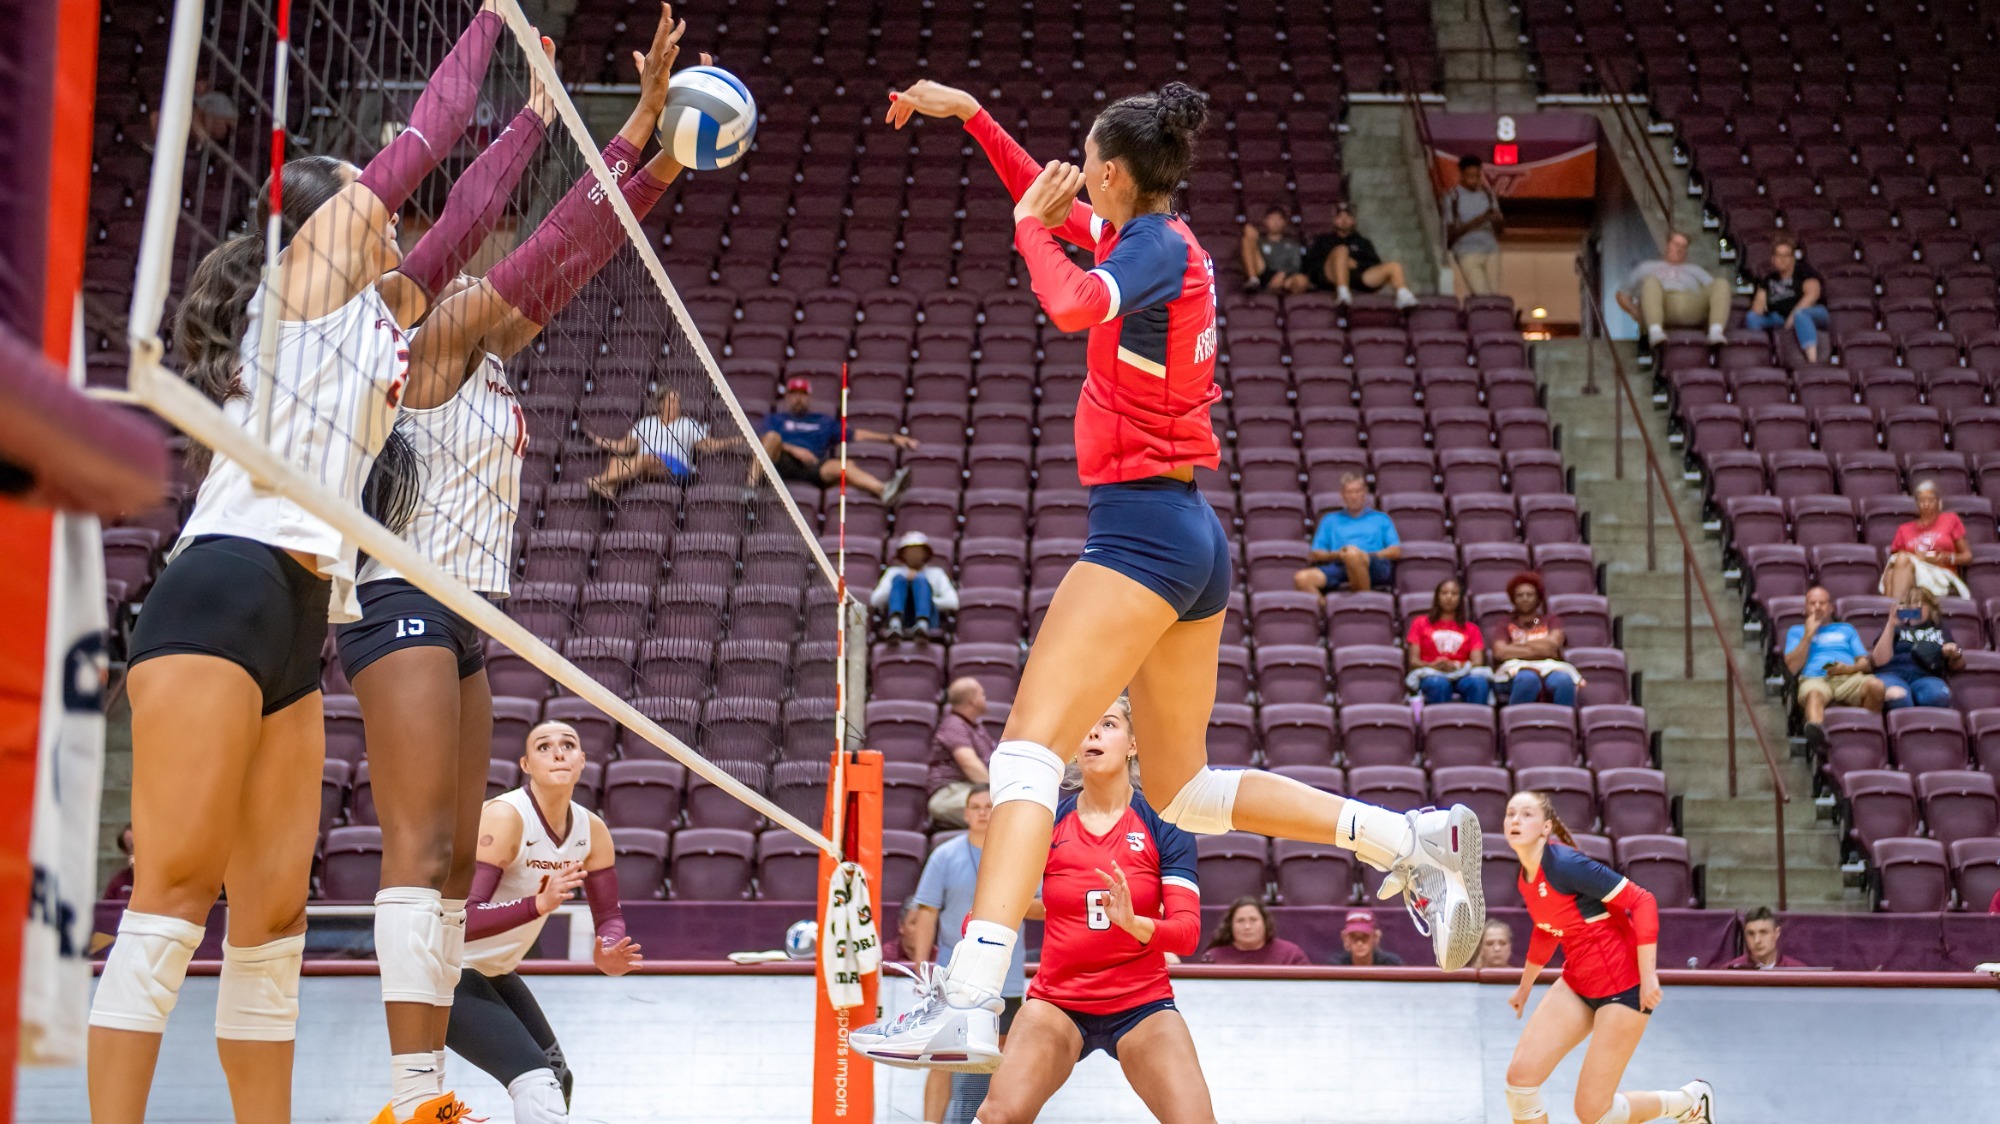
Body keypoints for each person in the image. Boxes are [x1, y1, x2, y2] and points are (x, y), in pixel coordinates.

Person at [861, 77, 1484, 1073]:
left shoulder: (1146, 251)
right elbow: (1049, 195)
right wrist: (975, 116)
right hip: (1186, 529)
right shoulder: (1154, 238)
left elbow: (1064, 299)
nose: (1073, 177)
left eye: (1085, 162)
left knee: (1022, 760)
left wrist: (1027, 231)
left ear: (1114, 172)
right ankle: (1406, 838)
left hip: (1141, 527)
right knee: (1186, 789)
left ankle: (969, 1000)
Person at [88, 7, 508, 1121]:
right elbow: (428, 135)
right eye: (362, 196)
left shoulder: (373, 319)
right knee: (175, 893)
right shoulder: (304, 287)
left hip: (299, 612)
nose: (389, 213)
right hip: (223, 584)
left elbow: (464, 212)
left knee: (269, 916)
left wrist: (570, 130)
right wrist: (487, 21)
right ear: (319, 224)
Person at [335, 17, 694, 1122]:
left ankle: (430, 1089)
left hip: (462, 609)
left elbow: (571, 261)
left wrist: (653, 148)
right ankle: (410, 1089)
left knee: (448, 873)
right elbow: (541, 249)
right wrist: (630, 139)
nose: (497, 281)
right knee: (428, 846)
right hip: (395, 596)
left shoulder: (486, 358)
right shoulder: (435, 340)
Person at [969, 699, 1216, 1123]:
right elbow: (990, 915)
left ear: (1133, 743)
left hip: (1143, 1004)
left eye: (1108, 724)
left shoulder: (1164, 822)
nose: (1093, 733)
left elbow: (1187, 933)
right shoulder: (1046, 821)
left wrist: (1135, 923)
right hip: (1057, 1003)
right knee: (997, 1116)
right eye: (1085, 726)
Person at [446, 720, 639, 1124]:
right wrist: (537, 904)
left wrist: (608, 948)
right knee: (538, 1084)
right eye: (544, 746)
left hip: (493, 971)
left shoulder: (592, 830)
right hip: (444, 970)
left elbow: (609, 916)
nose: (557, 752)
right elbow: (461, 919)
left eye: (568, 745)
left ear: (582, 761)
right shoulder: (505, 817)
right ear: (526, 764)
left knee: (558, 1078)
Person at [1501, 791, 1717, 1124]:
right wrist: (1524, 988)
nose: (1515, 820)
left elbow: (1642, 901)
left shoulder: (1567, 866)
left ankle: (1688, 1101)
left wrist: (1649, 976)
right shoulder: (1527, 876)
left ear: (1545, 828)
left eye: (1526, 814)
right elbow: (1547, 929)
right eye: (1510, 813)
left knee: (1594, 1113)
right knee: (1520, 1083)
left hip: (1624, 987)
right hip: (1578, 983)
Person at [902, 785, 1034, 1124]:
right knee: (943, 1059)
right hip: (953, 978)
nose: (982, 812)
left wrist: (1008, 902)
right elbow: (927, 912)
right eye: (975, 806)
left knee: (997, 1061)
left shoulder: (1021, 856)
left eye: (989, 806)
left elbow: (1047, 907)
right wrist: (922, 965)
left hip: (1006, 979)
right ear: (965, 814)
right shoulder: (944, 855)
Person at [755, 376, 915, 506]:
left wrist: (891, 438)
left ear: (809, 397)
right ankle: (750, 489)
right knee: (771, 438)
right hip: (780, 462)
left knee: (844, 465)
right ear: (787, 397)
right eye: (794, 394)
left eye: (802, 394)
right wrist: (793, 449)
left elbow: (856, 435)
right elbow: (763, 439)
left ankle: (884, 490)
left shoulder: (822, 421)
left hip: (812, 465)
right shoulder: (776, 419)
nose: (798, 398)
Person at [1784, 585, 1885, 753]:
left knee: (1877, 686)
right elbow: (1793, 667)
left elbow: (1865, 663)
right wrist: (1808, 636)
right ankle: (1819, 743)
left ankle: (1866, 736)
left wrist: (1848, 668)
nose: (1817, 607)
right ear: (1805, 609)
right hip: (1815, 679)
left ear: (1830, 608)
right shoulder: (1796, 632)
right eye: (1812, 603)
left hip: (1848, 677)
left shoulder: (1846, 630)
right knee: (1814, 694)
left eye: (1822, 603)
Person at [588, 388, 727, 498]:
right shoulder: (646, 423)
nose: (676, 405)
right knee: (615, 461)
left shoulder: (688, 424)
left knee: (645, 459)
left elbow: (710, 446)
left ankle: (599, 480)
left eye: (678, 402)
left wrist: (734, 440)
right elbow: (624, 446)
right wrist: (597, 440)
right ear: (661, 403)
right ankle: (608, 487)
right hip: (647, 466)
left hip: (676, 470)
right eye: (672, 401)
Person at [1615, 231, 1730, 347]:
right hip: (1662, 305)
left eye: (1683, 247)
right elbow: (1622, 294)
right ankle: (1655, 332)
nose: (1679, 249)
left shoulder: (1695, 269)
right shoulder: (1646, 267)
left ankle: (1716, 332)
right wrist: (1634, 311)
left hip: (1692, 306)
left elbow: (1717, 292)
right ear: (1667, 246)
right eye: (1676, 244)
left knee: (1721, 283)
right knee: (1651, 282)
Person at [1293, 473, 1402, 594]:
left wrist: (1366, 556)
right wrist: (1339, 555)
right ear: (1342, 495)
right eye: (1349, 492)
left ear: (1365, 493)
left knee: (1353, 555)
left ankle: (1363, 602)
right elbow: (1316, 554)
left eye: (1357, 491)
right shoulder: (1329, 520)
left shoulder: (1381, 518)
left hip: (1374, 565)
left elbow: (1395, 551)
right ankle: (1330, 611)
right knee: (1302, 579)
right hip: (1340, 565)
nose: (1353, 496)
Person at [1302, 203, 1419, 309]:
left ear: (1353, 220)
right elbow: (1313, 265)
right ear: (1334, 220)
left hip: (1359, 277)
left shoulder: (1363, 242)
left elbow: (1374, 263)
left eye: (1348, 217)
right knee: (1341, 250)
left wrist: (1357, 263)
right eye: (1340, 217)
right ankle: (1343, 293)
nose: (1344, 220)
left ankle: (1403, 295)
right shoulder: (1323, 240)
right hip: (1330, 278)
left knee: (1394, 266)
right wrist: (1341, 262)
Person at [1492, 571, 1581, 707]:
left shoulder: (1551, 621)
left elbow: (1552, 646)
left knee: (1563, 680)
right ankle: (1516, 725)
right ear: (1513, 599)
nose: (1525, 598)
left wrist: (1518, 645)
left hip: (1550, 668)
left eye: (1529, 595)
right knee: (1528, 678)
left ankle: (1563, 726)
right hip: (1516, 672)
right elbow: (1500, 652)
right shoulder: (1505, 623)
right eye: (1520, 595)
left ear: (1538, 598)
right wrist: (1540, 648)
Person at [1869, 585, 1963, 710]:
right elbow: (1878, 661)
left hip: (1926, 676)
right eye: (1909, 604)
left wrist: (1953, 654)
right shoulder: (1894, 628)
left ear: (1931, 609)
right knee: (1899, 697)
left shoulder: (1938, 629)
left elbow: (1958, 665)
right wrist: (1891, 625)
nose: (1914, 608)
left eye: (1919, 605)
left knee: (1938, 695)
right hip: (1892, 674)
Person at [1880, 480, 1972, 601]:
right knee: (1894, 569)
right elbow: (1896, 563)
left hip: (1941, 573)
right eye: (1922, 500)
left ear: (1939, 502)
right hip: (1913, 572)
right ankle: (1901, 613)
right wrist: (1919, 558)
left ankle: (1896, 615)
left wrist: (1946, 557)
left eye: (1930, 500)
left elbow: (1968, 557)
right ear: (1917, 504)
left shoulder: (1950, 520)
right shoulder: (1904, 529)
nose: (1926, 504)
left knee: (1901, 562)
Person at [1406, 577, 1492, 705]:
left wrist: (1456, 665)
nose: (1449, 597)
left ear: (1460, 598)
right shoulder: (1420, 623)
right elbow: (1413, 661)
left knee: (1478, 683)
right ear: (1437, 596)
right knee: (1439, 684)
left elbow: (1477, 661)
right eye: (1444, 593)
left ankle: (1476, 723)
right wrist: (1433, 665)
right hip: (1432, 672)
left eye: (1454, 593)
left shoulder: (1471, 628)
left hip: (1462, 673)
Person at [1745, 233, 1826, 363]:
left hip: (1814, 313)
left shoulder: (1803, 270)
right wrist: (1760, 306)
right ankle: (1762, 358)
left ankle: (1812, 361)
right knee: (1752, 318)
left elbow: (1813, 294)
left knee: (1801, 314)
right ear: (1772, 259)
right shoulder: (1769, 279)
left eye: (1786, 255)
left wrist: (1793, 316)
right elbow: (1758, 306)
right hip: (1781, 317)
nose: (1782, 259)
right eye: (1778, 255)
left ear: (1793, 258)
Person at [928, 677, 996, 829]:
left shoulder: (975, 727)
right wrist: (997, 792)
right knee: (1002, 808)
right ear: (973, 700)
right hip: (949, 795)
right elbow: (969, 763)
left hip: (971, 789)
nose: (985, 698)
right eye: (982, 695)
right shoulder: (954, 724)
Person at [871, 530, 960, 640]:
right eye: (910, 551)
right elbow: (875, 600)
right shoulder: (893, 572)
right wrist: (897, 592)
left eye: (918, 551)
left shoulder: (936, 574)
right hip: (903, 616)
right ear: (903, 554)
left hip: (929, 619)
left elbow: (953, 602)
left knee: (920, 580)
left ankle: (922, 625)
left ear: (925, 553)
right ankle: (895, 624)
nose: (914, 554)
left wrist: (925, 599)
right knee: (899, 579)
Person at [1444, 155, 1503, 296]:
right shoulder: (1453, 197)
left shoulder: (1488, 194)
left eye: (1477, 175)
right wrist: (1478, 220)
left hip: (1491, 249)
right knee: (1482, 294)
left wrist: (1497, 220)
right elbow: (1450, 233)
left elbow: (1500, 230)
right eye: (1470, 176)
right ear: (1462, 175)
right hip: (1467, 251)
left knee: (1494, 294)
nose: (1474, 180)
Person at [1199, 897, 1310, 965]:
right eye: (1240, 921)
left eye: (1253, 920)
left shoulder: (1290, 955)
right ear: (1230, 926)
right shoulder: (1213, 957)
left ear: (1265, 923)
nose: (1247, 926)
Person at [1239, 206, 1309, 294]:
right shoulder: (1259, 240)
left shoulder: (1293, 244)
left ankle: (1290, 305)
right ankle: (1253, 280)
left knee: (1302, 281)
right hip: (1262, 272)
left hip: (1284, 277)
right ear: (1265, 221)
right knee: (1247, 237)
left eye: (1279, 219)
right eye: (1272, 218)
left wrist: (1283, 274)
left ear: (1285, 223)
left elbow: (1296, 265)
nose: (1275, 222)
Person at [1718, 906, 1807, 970]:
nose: (1757, 941)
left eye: (1763, 932)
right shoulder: (1730, 971)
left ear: (1776, 933)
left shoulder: (1797, 971)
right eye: (1751, 933)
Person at [1332, 910, 1405, 966]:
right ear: (1346, 939)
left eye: (1365, 936)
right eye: (1354, 937)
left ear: (1375, 937)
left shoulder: (1391, 964)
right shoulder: (1335, 965)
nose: (1359, 943)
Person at [102, 824, 136, 902]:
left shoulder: (162, 877)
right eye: (132, 847)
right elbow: (106, 910)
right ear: (126, 852)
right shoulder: (119, 882)